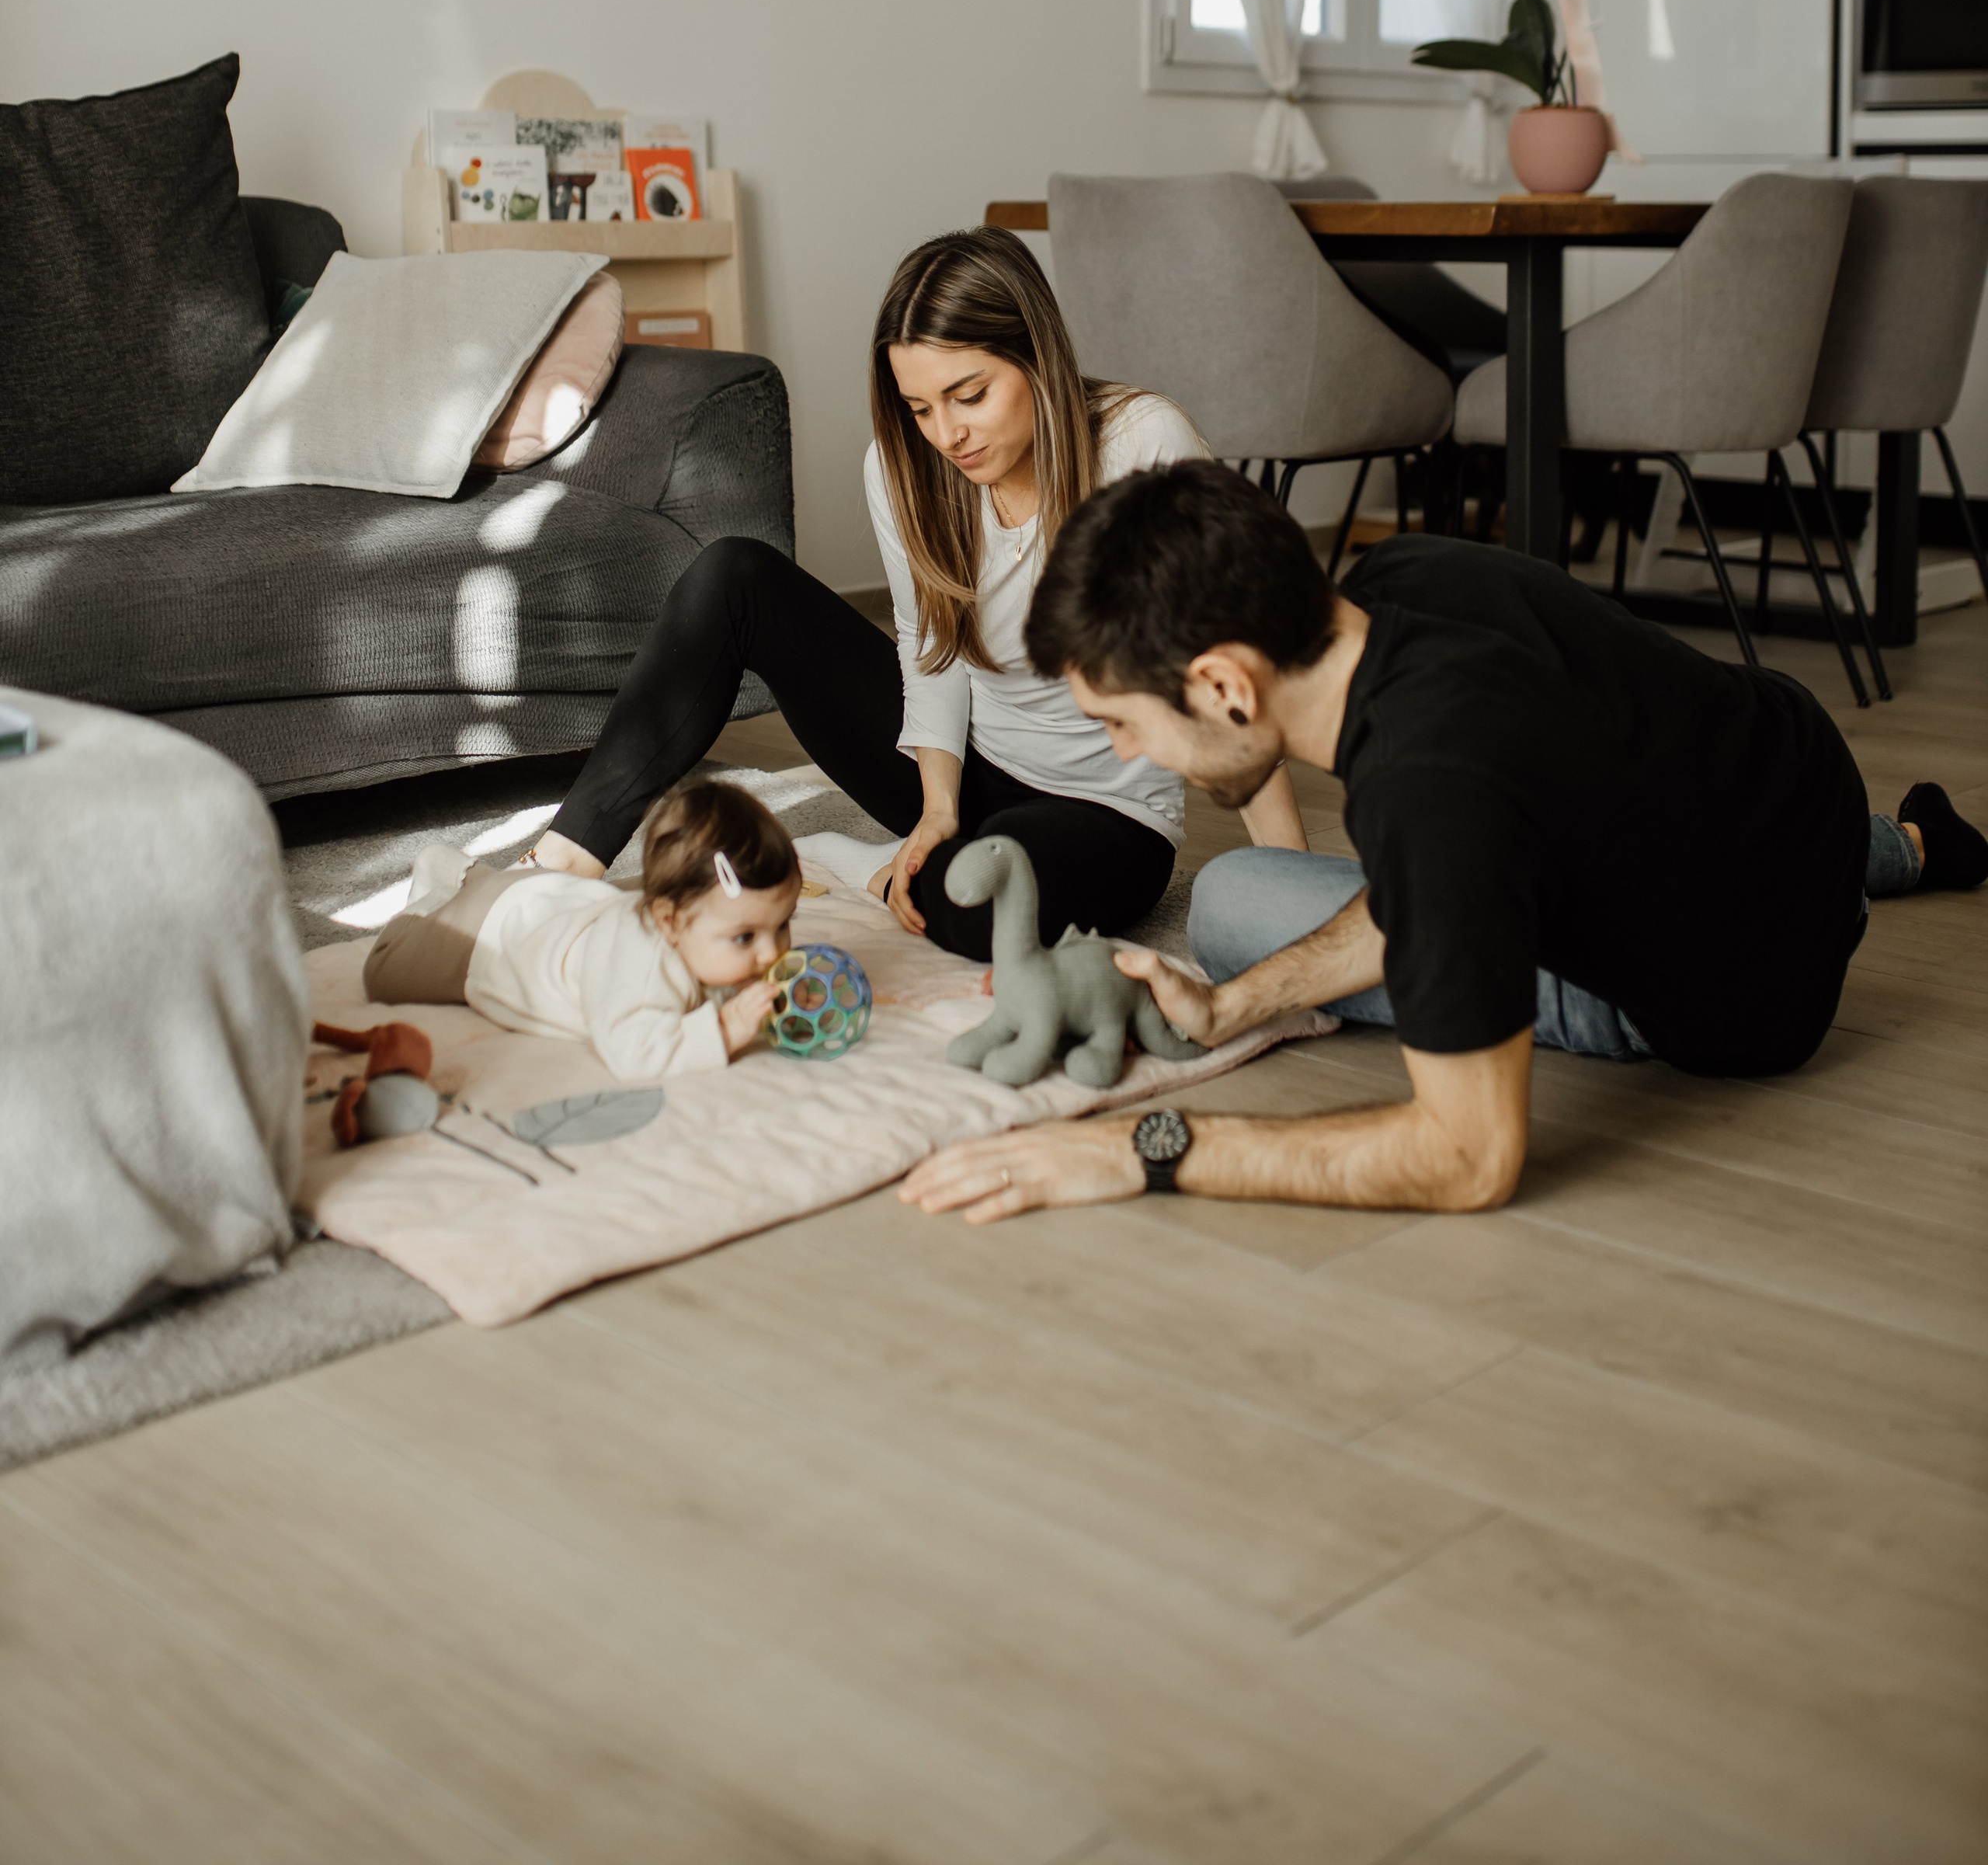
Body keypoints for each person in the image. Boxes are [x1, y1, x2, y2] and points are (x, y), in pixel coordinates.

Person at [902, 461, 1985, 1224]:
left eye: (1124, 725)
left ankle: (1895, 857)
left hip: (1757, 1005)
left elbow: (1468, 1158)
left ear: (1226, 685)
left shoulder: (1431, 791)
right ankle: (1906, 849)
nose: (1133, 761)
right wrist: (1235, 1011)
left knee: (1231, 902)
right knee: (1323, 903)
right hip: (1801, 791)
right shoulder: (1406, 577)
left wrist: (1141, 1149)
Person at [513, 230, 1307, 961]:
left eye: (970, 395)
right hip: (961, 765)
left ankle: (861, 863)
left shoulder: (1145, 444)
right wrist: (935, 809)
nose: (946, 434)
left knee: (964, 904)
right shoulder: (902, 469)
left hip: (1108, 815)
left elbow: (1236, 663)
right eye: (920, 407)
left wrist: (1290, 886)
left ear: (1038, 356)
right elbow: (930, 655)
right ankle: (558, 869)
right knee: (735, 577)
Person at [364, 778, 800, 1079]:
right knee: (383, 974)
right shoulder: (641, 971)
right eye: (746, 937)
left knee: (523, 891)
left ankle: (469, 873)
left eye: (782, 926)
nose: (771, 954)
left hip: (556, 897)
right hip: (494, 930)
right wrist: (723, 1032)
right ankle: (440, 883)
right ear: (669, 923)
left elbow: (717, 982)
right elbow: (635, 1053)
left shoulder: (699, 935)